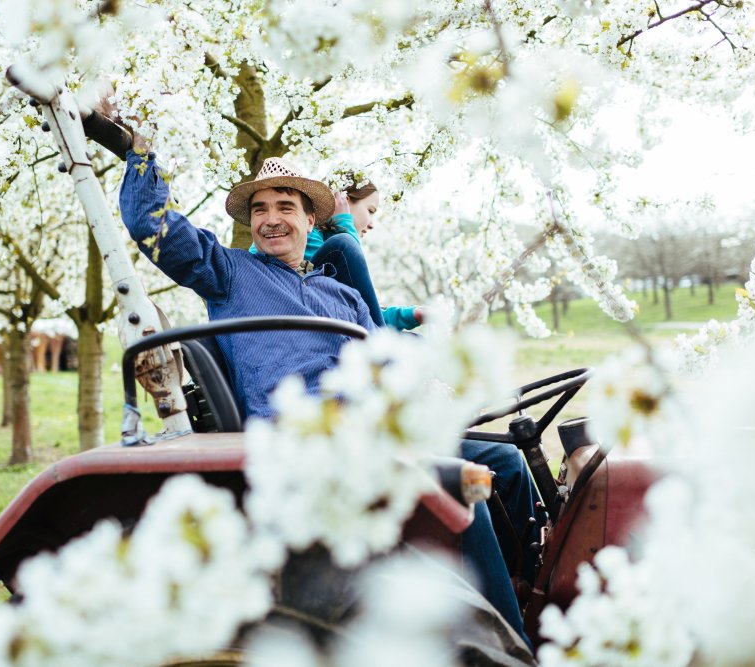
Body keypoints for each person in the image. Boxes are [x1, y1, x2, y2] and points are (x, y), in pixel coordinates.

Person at [104, 108, 535, 644]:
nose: (271, 218)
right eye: (260, 209)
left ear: (311, 222)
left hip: (367, 430)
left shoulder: (343, 294)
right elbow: (154, 227)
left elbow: (383, 366)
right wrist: (141, 152)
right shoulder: (230, 274)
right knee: (461, 490)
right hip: (301, 439)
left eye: (286, 206)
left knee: (509, 462)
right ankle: (508, 645)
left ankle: (518, 590)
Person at [250, 179, 423, 331]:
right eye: (370, 211)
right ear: (344, 201)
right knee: (342, 245)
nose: (371, 224)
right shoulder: (308, 236)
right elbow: (326, 293)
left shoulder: (323, 242)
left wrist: (410, 315)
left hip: (317, 312)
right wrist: (344, 222)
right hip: (283, 305)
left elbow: (361, 308)